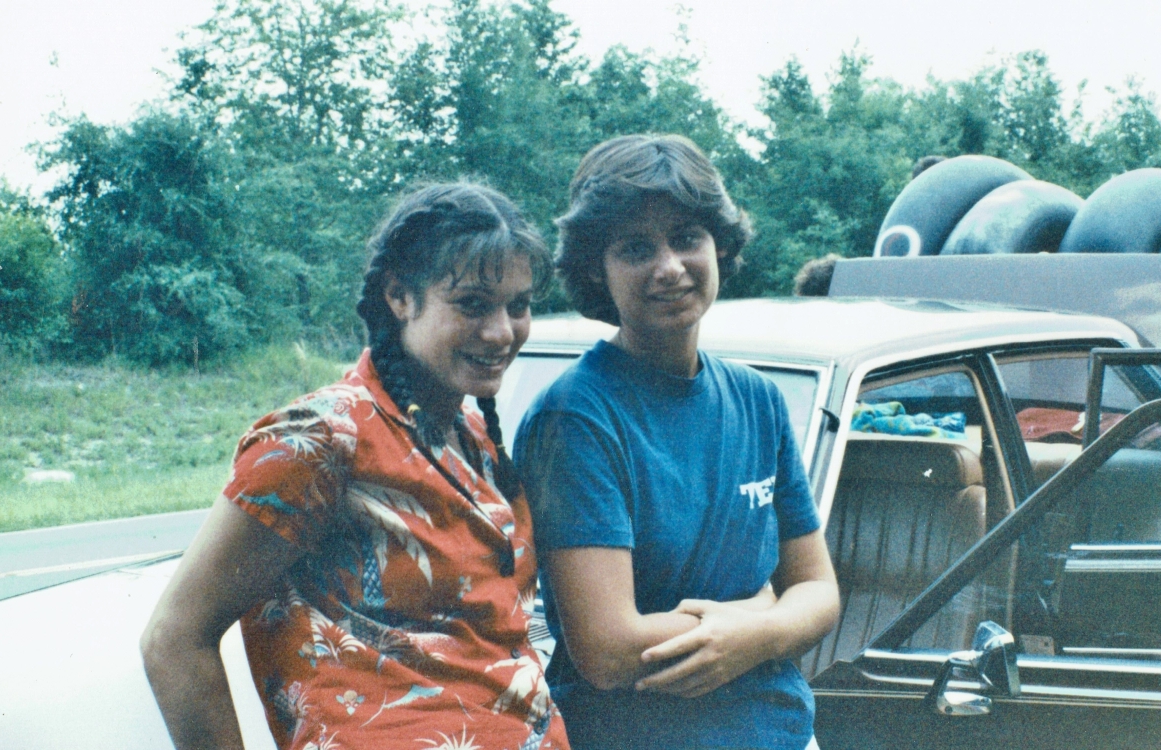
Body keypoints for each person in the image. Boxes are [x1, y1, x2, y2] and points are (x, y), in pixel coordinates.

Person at [141, 183, 570, 750]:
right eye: (472, 304)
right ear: (399, 297)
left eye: (518, 305)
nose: (501, 332)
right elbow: (174, 638)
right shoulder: (322, 437)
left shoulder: (472, 437)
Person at [513, 135, 840, 750]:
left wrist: (758, 633)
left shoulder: (759, 401)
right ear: (596, 270)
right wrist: (764, 607)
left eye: (687, 237)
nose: (668, 266)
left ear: (720, 245)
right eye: (636, 248)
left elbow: (820, 592)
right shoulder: (574, 417)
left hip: (782, 734)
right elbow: (608, 650)